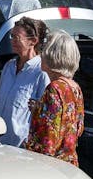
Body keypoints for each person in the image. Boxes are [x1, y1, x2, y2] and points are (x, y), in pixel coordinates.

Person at [24, 30, 85, 165]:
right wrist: (39, 110)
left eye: (44, 50)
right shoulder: (75, 88)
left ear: (53, 56)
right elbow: (74, 128)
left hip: (51, 166)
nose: (41, 55)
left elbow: (49, 137)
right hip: (69, 164)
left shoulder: (55, 89)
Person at [0, 17, 49, 146]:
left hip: (20, 147)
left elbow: (44, 113)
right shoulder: (9, 67)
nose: (12, 41)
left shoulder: (41, 72)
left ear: (33, 41)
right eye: (11, 36)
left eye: (16, 37)